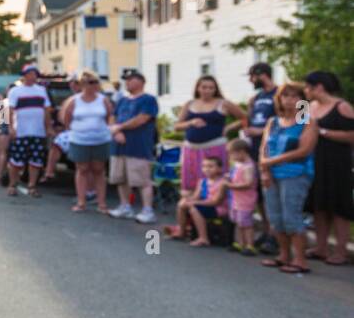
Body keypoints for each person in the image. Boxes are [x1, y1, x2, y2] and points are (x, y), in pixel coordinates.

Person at [258, 82, 319, 274]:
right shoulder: (273, 122)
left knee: (291, 216)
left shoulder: (306, 121)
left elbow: (304, 150)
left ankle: (300, 260)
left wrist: (272, 161)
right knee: (275, 217)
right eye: (286, 96)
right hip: (271, 174)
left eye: (294, 96)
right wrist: (265, 170)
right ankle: (283, 255)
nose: (290, 100)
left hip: (295, 174)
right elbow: (265, 148)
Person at [302, 71, 354, 266]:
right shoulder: (306, 106)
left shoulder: (342, 106)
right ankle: (321, 247)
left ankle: (341, 251)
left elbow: (351, 136)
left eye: (307, 87)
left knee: (340, 207)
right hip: (313, 162)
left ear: (319, 87)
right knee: (318, 205)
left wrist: (322, 131)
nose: (304, 91)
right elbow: (298, 130)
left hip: (337, 163)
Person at [173, 75, 246, 193]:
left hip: (214, 149)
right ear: (198, 88)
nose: (207, 90)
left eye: (211, 88)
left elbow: (244, 118)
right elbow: (176, 126)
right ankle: (191, 209)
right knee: (191, 184)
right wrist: (191, 123)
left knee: (215, 184)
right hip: (191, 150)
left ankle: (218, 209)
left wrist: (229, 128)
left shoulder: (223, 104)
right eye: (204, 87)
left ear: (215, 89)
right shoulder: (189, 104)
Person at [107, 70, 160, 224]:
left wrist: (119, 128)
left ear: (141, 82)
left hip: (139, 146)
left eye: (131, 79)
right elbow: (112, 117)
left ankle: (147, 210)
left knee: (142, 179)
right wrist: (115, 131)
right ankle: (125, 206)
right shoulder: (122, 100)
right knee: (120, 178)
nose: (127, 82)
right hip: (119, 145)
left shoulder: (148, 100)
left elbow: (142, 119)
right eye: (126, 80)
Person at [61, 69, 114, 213]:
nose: (94, 85)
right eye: (91, 82)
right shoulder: (75, 100)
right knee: (82, 169)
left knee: (99, 170)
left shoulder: (103, 99)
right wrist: (74, 131)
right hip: (80, 140)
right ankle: (81, 201)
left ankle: (101, 203)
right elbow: (66, 118)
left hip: (100, 139)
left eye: (96, 82)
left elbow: (110, 116)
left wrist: (109, 129)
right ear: (83, 84)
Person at [242, 62, 279, 250]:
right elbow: (248, 119)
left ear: (261, 74)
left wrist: (262, 131)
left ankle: (276, 236)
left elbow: (301, 122)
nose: (250, 81)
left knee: (271, 192)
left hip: (276, 151)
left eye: (252, 76)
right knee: (259, 195)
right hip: (255, 149)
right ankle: (266, 232)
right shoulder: (256, 98)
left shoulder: (284, 94)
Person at [5, 65, 52, 197]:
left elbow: (47, 110)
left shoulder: (42, 90)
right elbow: (10, 110)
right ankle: (12, 184)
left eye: (35, 74)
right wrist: (10, 127)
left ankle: (32, 185)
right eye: (30, 74)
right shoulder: (15, 91)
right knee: (16, 160)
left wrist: (48, 127)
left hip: (38, 131)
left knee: (35, 161)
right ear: (24, 75)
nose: (33, 76)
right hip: (21, 130)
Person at [170, 155, 228, 246]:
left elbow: (216, 202)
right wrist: (187, 199)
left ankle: (203, 238)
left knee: (194, 208)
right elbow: (195, 197)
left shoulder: (222, 183)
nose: (207, 169)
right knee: (182, 204)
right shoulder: (202, 182)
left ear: (219, 169)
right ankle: (181, 231)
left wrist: (194, 203)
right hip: (204, 205)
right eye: (204, 166)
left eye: (210, 166)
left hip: (218, 208)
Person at [225, 138, 259, 255]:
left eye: (232, 153)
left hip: (245, 199)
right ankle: (240, 243)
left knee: (246, 223)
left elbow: (248, 183)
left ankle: (250, 245)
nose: (231, 156)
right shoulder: (238, 164)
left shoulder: (248, 166)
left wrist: (230, 185)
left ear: (242, 151)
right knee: (238, 222)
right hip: (235, 199)